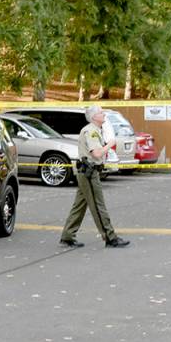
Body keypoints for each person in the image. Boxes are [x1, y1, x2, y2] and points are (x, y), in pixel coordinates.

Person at [59, 104, 130, 248]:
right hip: (89, 173)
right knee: (98, 205)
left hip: (87, 172)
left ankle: (67, 236)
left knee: (79, 206)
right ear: (94, 117)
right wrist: (110, 144)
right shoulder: (91, 131)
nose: (104, 114)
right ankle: (110, 237)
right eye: (101, 112)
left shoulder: (95, 130)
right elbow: (96, 153)